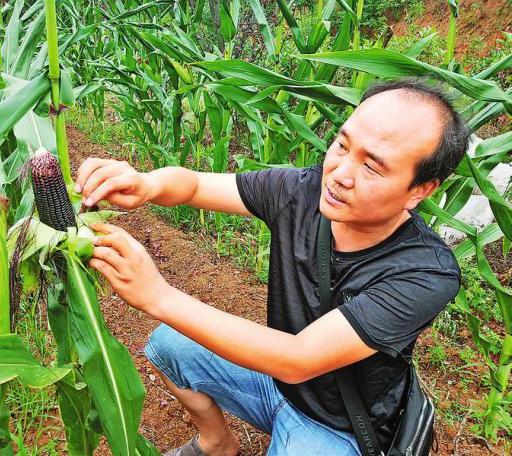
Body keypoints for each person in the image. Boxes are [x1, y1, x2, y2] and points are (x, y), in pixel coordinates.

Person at [74, 78, 469, 456]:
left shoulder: (425, 273)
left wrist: (157, 295)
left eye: (372, 167)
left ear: (420, 189)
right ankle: (216, 443)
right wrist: (147, 183)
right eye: (342, 145)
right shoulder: (300, 191)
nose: (340, 174)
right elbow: (194, 186)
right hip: (274, 384)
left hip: (336, 424)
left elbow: (298, 358)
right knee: (168, 346)